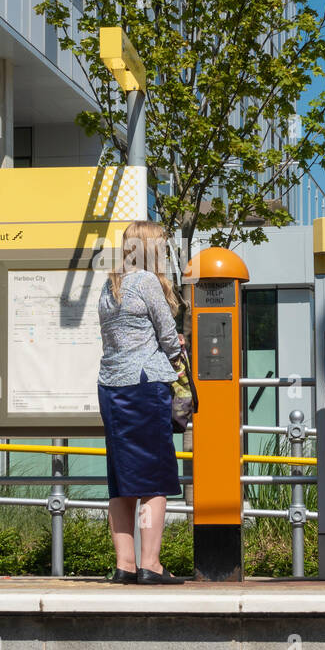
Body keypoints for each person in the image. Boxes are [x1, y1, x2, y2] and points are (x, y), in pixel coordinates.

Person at [97, 220, 186, 584]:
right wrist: (178, 353)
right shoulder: (147, 282)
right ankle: (151, 564)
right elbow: (166, 336)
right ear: (152, 248)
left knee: (121, 481)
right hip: (145, 387)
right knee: (153, 480)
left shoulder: (109, 284)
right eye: (162, 246)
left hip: (111, 388)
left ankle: (125, 565)